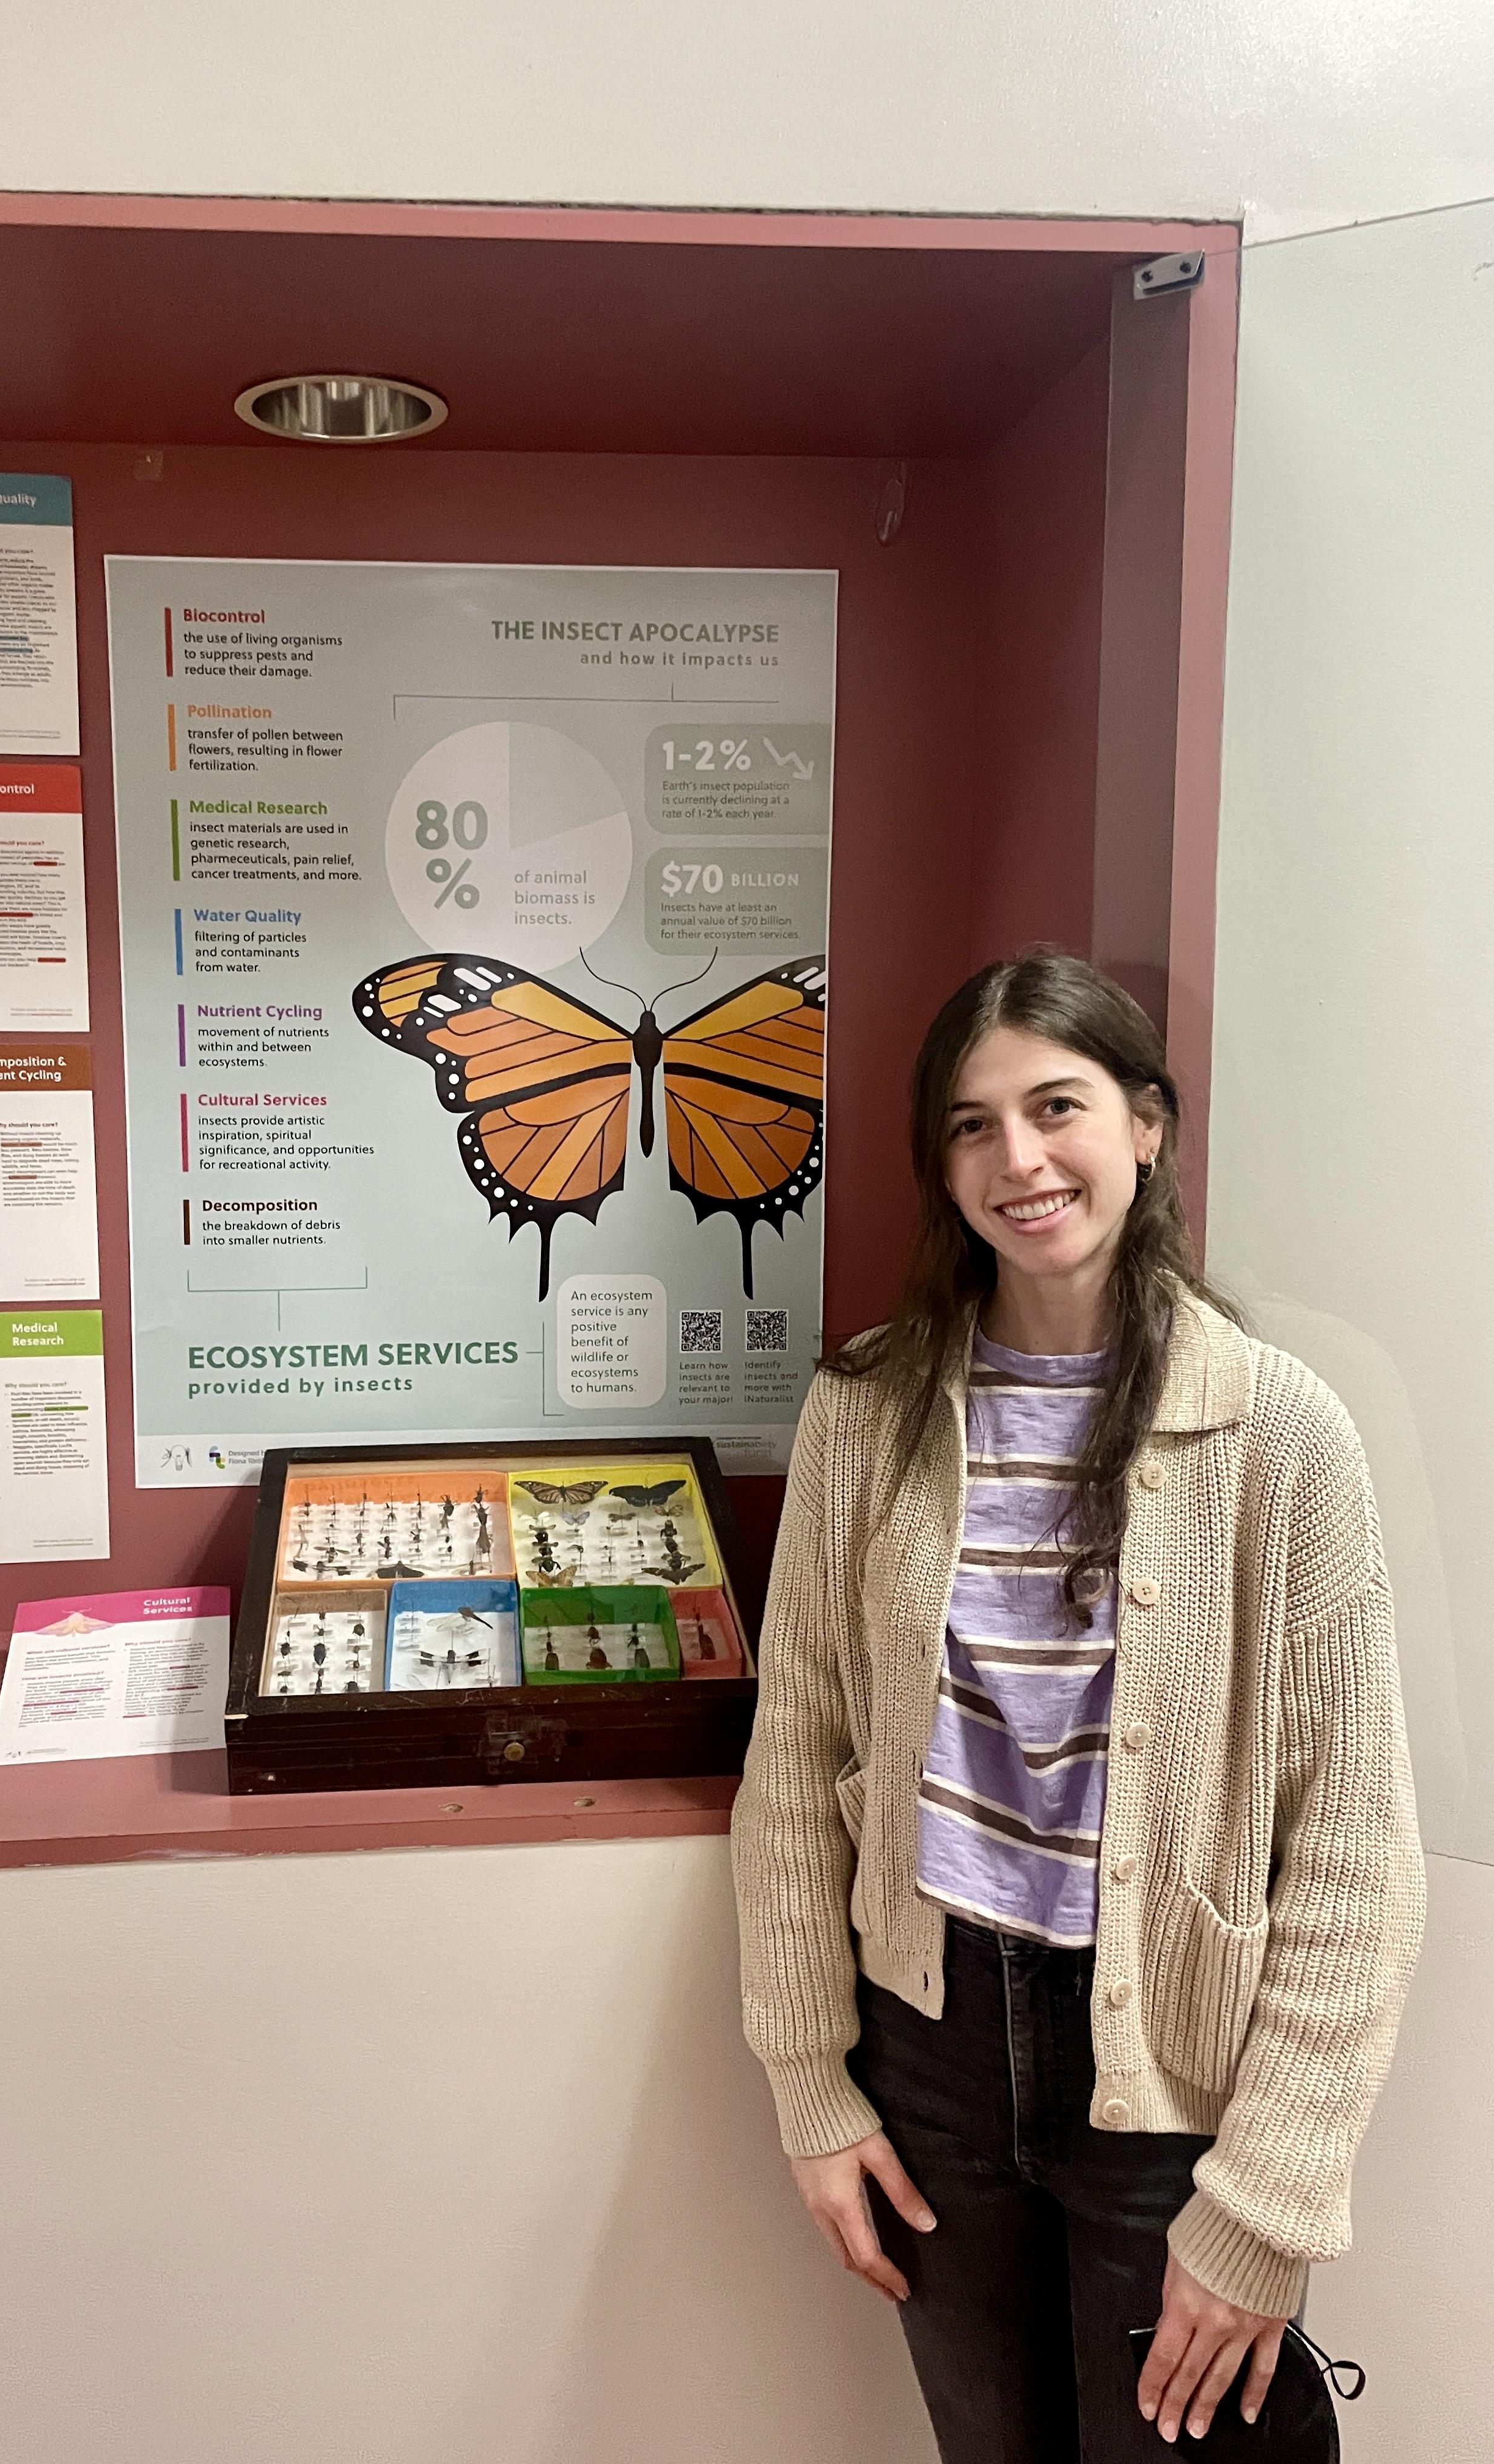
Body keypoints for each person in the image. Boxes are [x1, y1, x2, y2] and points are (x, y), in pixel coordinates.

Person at [730, 950, 1424, 2461]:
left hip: (1175, 2078)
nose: (1019, 1160)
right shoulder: (867, 1406)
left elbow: (1358, 1852)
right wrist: (811, 2086)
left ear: (1149, 1126)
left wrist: (1268, 2199)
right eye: (972, 1125)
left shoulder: (1280, 1434)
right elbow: (797, 1761)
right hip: (931, 2053)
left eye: (1059, 1106)